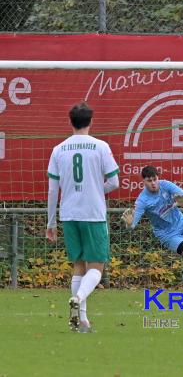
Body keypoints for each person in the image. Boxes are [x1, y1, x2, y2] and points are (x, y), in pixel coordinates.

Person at [46, 102, 120, 333]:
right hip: (93, 214)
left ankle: (83, 321)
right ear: (91, 121)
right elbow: (114, 181)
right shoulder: (100, 146)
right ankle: (78, 298)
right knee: (96, 267)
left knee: (78, 265)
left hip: (69, 214)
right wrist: (98, 188)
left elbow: (52, 190)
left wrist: (50, 222)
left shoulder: (58, 149)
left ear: (71, 121)